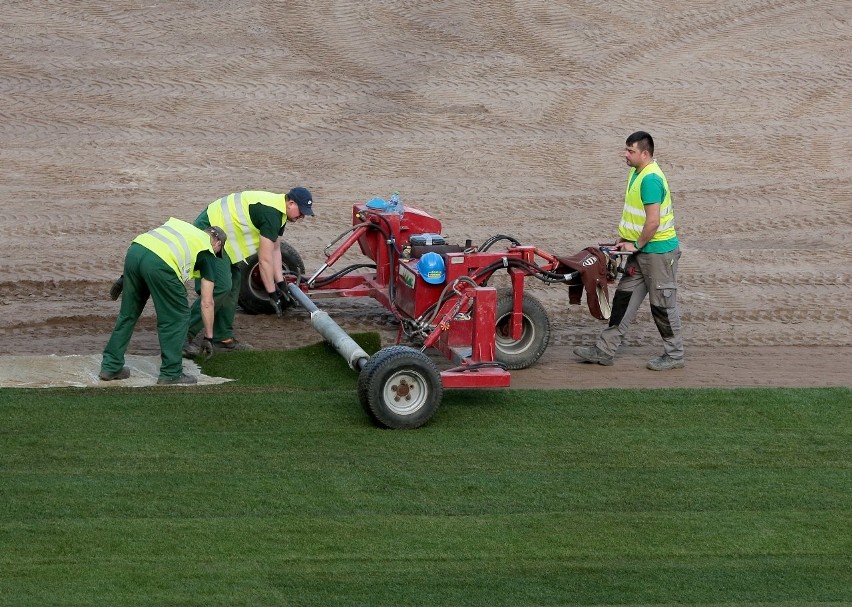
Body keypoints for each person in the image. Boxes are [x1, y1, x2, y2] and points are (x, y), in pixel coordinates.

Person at [573, 131, 684, 371]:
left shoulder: (650, 179)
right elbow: (638, 216)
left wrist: (637, 245)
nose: (625, 154)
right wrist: (624, 239)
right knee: (624, 299)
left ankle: (674, 355)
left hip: (658, 255)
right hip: (642, 253)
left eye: (630, 150)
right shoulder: (637, 173)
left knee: (663, 306)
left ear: (645, 153)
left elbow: (653, 222)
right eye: (626, 149)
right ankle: (604, 350)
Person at [183, 188, 314, 354]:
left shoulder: (281, 215)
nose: (302, 216)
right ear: (291, 203)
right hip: (210, 232)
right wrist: (271, 293)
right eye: (301, 212)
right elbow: (264, 259)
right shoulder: (271, 213)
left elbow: (275, 250)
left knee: (235, 281)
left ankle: (222, 338)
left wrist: (281, 283)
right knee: (221, 286)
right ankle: (182, 335)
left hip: (226, 239)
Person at [99, 219, 227, 385]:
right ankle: (171, 373)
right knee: (177, 317)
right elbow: (207, 302)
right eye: (219, 251)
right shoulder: (207, 250)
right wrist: (209, 337)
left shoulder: (184, 229)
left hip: (135, 251)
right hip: (160, 265)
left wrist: (125, 278)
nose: (216, 254)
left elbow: (152, 249)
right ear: (217, 242)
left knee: (128, 314)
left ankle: (111, 366)